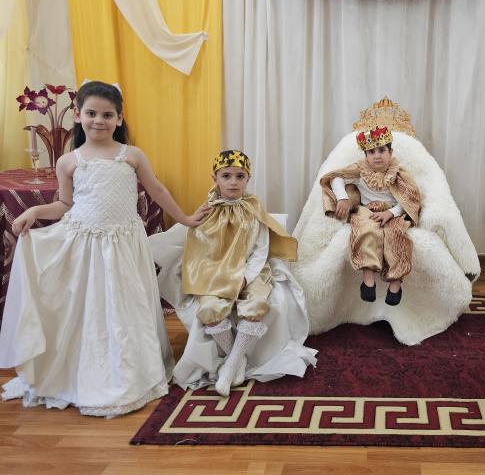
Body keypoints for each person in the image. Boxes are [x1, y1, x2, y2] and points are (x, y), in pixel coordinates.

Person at [0, 80, 207, 416]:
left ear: (119, 118)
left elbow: (157, 190)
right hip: (86, 244)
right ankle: (87, 370)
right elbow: (65, 205)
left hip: (124, 243)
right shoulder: (69, 161)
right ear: (78, 115)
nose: (99, 120)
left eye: (107, 115)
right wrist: (35, 211)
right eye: (91, 113)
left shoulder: (131, 156)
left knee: (125, 304)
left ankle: (128, 371)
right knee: (93, 306)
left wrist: (185, 218)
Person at [152, 150, 316, 396]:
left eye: (240, 176)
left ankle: (229, 367)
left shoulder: (253, 209)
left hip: (252, 271)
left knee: (255, 304)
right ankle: (235, 360)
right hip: (217, 272)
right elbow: (202, 250)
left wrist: (245, 278)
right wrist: (217, 275)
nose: (233, 182)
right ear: (215, 178)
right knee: (210, 308)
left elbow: (260, 250)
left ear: (248, 178)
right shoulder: (208, 211)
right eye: (226, 176)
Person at [319, 127, 421, 306]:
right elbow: (336, 177)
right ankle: (368, 279)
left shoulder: (398, 173)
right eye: (371, 152)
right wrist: (342, 198)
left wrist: (391, 213)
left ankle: (395, 283)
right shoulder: (360, 171)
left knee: (397, 235)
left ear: (390, 152)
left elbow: (409, 198)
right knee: (366, 230)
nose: (377, 156)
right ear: (366, 155)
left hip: (393, 212)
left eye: (382, 150)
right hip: (367, 210)